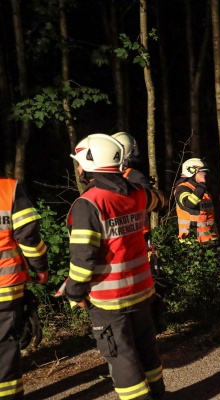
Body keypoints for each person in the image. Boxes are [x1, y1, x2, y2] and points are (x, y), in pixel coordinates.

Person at [65, 133, 166, 400]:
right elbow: (161, 201)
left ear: (89, 164)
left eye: (79, 162)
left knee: (121, 355)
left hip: (109, 300)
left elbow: (83, 259)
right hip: (142, 289)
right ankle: (157, 393)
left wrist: (75, 292)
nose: (77, 167)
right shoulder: (138, 193)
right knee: (146, 347)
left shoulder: (88, 203)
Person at [111, 132, 167, 334]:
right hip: (132, 235)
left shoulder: (125, 177)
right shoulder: (131, 176)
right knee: (141, 278)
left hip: (130, 236)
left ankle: (149, 321)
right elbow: (155, 203)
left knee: (141, 279)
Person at [0, 177, 49, 399]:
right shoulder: (7, 189)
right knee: (4, 346)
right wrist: (40, 268)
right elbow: (28, 237)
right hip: (4, 286)